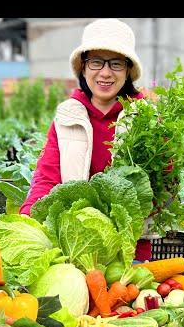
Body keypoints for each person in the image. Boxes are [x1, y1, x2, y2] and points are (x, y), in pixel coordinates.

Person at [19, 18, 152, 261]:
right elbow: (47, 177)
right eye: (96, 62)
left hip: (130, 249)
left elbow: (165, 187)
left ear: (128, 71)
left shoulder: (146, 119)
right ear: (83, 67)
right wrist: (26, 222)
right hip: (75, 245)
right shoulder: (67, 116)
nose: (105, 73)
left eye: (116, 64)